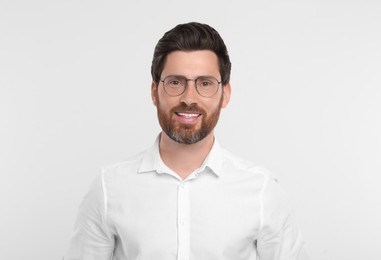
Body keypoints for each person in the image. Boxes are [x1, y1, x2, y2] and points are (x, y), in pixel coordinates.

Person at [64, 22, 308, 260]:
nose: (189, 98)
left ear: (225, 94)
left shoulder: (262, 191)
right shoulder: (109, 188)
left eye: (205, 83)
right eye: (175, 82)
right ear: (153, 92)